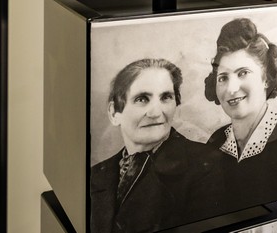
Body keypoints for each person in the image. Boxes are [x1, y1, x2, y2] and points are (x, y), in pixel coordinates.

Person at [89, 58, 222, 233]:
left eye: (166, 97)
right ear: (114, 113)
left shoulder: (206, 165)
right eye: (142, 99)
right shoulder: (96, 175)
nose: (156, 112)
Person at [203, 18, 277, 209]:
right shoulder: (216, 142)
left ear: (266, 78)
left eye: (242, 73)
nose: (231, 89)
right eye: (223, 78)